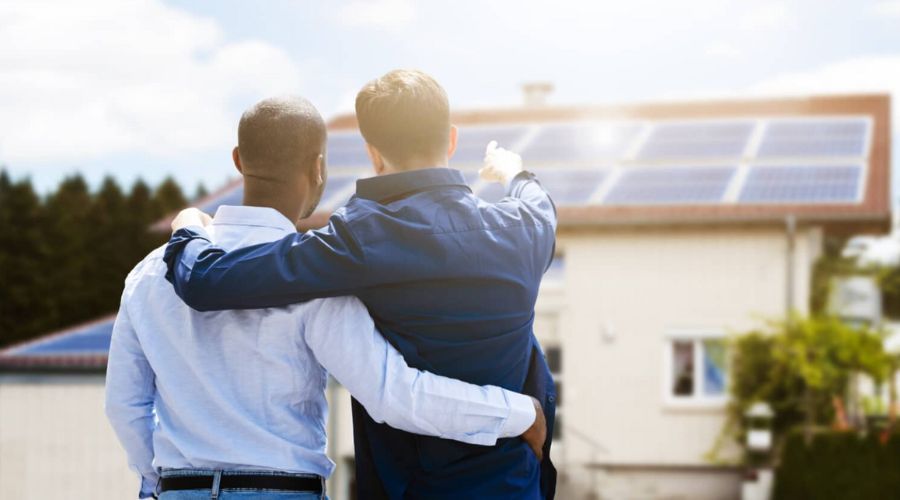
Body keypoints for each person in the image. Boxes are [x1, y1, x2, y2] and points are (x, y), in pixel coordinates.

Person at [105, 96, 546, 500]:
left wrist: (159, 482)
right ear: (318, 168)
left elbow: (124, 406)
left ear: (239, 161)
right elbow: (394, 395)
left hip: (177, 490)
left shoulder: (148, 275)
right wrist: (518, 412)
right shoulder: (317, 279)